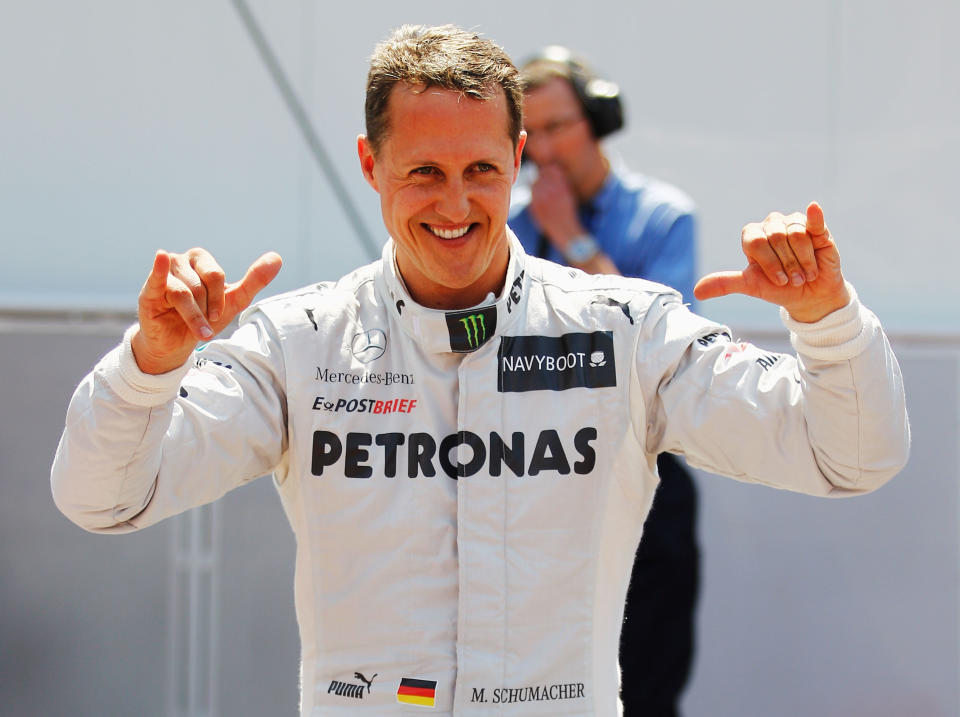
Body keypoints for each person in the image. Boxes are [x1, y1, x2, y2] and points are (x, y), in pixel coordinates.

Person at [51, 24, 910, 717]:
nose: (456, 204)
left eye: (482, 171)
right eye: (424, 171)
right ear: (369, 163)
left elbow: (847, 456)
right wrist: (150, 365)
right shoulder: (301, 339)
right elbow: (103, 495)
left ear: (520, 159)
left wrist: (825, 320)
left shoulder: (621, 329)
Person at [509, 47, 698, 716]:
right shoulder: (510, 230)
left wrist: (571, 237)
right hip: (542, 475)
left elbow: (657, 345)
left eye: (560, 126)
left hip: (644, 471)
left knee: (646, 678)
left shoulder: (662, 217)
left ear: (597, 119)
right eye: (534, 135)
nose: (548, 151)